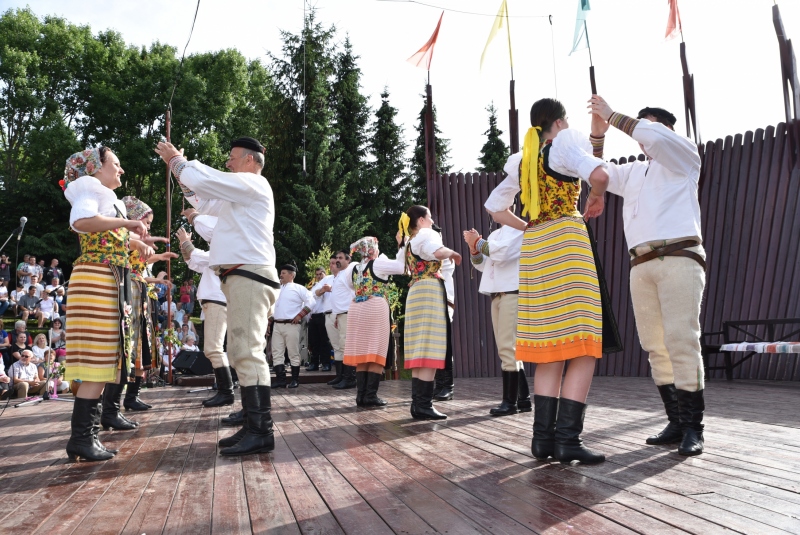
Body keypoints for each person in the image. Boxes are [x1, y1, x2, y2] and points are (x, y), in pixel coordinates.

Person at [485, 97, 610, 465]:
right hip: (566, 242)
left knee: (548, 346)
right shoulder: (565, 142)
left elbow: (494, 208)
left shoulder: (524, 158)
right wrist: (597, 197)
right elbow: (600, 175)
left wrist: (528, 226)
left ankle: (543, 441)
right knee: (583, 344)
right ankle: (568, 440)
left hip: (536, 246)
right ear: (559, 121)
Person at [588, 96, 707, 456]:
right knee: (655, 344)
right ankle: (675, 420)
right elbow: (599, 172)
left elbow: (653, 136)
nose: (645, 138)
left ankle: (693, 427)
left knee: (681, 338)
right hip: (641, 265)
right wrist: (598, 133)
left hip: (679, 257)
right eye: (643, 131)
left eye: (652, 127)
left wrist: (612, 114)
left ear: (669, 131)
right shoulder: (635, 171)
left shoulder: (684, 157)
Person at [156, 136, 279, 457]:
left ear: (251, 161)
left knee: (247, 351)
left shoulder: (254, 184)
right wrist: (179, 172)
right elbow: (204, 200)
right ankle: (254, 425)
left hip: (249, 275)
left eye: (232, 158)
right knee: (241, 350)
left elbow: (205, 180)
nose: (227, 162)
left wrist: (176, 160)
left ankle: (261, 430)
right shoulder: (239, 194)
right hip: (242, 276)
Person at [62, 146, 156, 462]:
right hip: (97, 278)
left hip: (108, 278)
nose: (121, 170)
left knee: (105, 361)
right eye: (115, 164)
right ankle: (82, 439)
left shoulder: (106, 197)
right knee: (97, 361)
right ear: (95, 168)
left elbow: (106, 234)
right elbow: (83, 221)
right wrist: (129, 226)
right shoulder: (90, 188)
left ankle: (85, 438)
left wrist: (138, 241)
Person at [401, 206, 462, 420]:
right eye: (430, 217)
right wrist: (452, 253)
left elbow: (404, 267)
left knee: (420, 347)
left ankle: (418, 404)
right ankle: (423, 405)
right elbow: (436, 252)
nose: (432, 220)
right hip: (429, 289)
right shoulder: (427, 233)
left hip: (416, 290)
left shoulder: (409, 242)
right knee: (430, 345)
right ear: (421, 219)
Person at [463, 224, 532, 416]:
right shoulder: (495, 233)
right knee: (508, 348)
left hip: (512, 293)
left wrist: (477, 241)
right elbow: (484, 264)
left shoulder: (520, 230)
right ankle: (523, 399)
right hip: (498, 293)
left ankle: (510, 403)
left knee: (507, 347)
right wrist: (474, 248)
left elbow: (502, 253)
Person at [121, 196, 176, 412]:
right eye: (147, 221)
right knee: (133, 340)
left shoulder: (134, 238)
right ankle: (122, 399)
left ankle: (132, 396)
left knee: (141, 341)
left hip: (139, 291)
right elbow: (137, 260)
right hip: (132, 291)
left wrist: (160, 256)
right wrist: (158, 254)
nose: (148, 227)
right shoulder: (125, 237)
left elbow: (141, 260)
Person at [177, 217, 233, 408]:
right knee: (212, 348)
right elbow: (190, 260)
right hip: (211, 305)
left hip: (217, 304)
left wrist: (186, 241)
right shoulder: (214, 255)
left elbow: (194, 254)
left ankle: (226, 391)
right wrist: (184, 243)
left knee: (214, 348)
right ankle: (224, 389)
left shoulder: (222, 254)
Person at [342, 236, 405, 407]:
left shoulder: (353, 268)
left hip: (357, 308)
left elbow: (349, 286)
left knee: (363, 352)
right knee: (376, 351)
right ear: (373, 249)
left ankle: (361, 396)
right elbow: (401, 267)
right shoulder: (378, 263)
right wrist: (401, 246)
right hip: (375, 305)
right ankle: (370, 395)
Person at [270, 263, 315, 389]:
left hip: (292, 324)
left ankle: (295, 379)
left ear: (291, 275)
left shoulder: (298, 288)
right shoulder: (277, 289)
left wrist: (300, 315)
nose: (281, 275)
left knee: (293, 352)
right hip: (277, 324)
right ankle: (281, 380)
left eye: (283, 273)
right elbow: (275, 308)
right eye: (281, 273)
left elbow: (311, 301)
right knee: (277, 352)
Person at [328, 251, 357, 389]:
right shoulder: (339, 275)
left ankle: (350, 378)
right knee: (340, 346)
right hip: (340, 315)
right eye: (336, 258)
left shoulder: (350, 271)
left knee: (346, 346)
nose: (337, 260)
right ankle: (341, 376)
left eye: (340, 258)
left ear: (348, 260)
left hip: (348, 313)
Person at [307, 266, 333, 372]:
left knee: (324, 341)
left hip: (323, 315)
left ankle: (326, 363)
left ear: (325, 273)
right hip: (314, 315)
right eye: (317, 275)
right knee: (314, 341)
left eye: (320, 274)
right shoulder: (314, 286)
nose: (318, 276)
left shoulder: (328, 282)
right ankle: (314, 363)